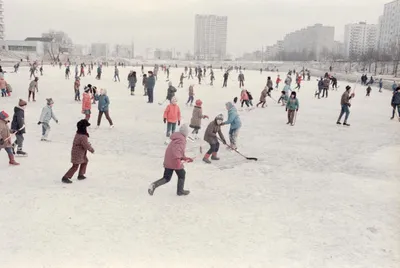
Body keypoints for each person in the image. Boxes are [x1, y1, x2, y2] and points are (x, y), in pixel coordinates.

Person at [148, 124, 192, 196]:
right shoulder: (182, 140)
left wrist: (185, 158)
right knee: (182, 174)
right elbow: (176, 151)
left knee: (166, 177)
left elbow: (179, 151)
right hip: (174, 161)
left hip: (169, 160)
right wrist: (178, 160)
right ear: (185, 133)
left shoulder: (176, 138)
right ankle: (180, 191)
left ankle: (154, 185)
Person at [61, 119, 95, 184]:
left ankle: (81, 175)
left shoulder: (78, 133)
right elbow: (86, 145)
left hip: (78, 152)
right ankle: (65, 177)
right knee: (75, 166)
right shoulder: (83, 136)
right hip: (78, 153)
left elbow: (83, 143)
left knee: (85, 161)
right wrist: (91, 149)